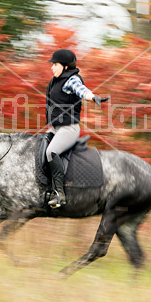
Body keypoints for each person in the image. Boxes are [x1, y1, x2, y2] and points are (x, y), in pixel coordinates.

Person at [45, 49, 108, 208]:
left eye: (55, 64)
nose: (52, 67)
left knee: (51, 152)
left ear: (65, 67)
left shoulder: (71, 80)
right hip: (56, 128)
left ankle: (59, 194)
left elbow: (82, 90)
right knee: (36, 145)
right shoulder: (55, 80)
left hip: (69, 129)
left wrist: (92, 97)